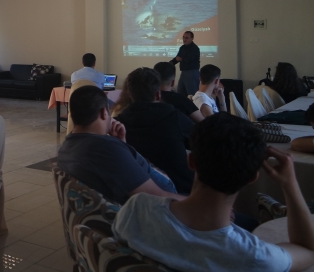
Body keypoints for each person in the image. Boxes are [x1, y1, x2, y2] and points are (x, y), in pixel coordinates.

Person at [113, 113, 314, 272]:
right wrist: (290, 184)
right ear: (253, 177)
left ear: (191, 161)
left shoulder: (136, 209)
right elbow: (308, 249)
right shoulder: (256, 258)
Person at [57, 85, 185, 205]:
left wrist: (121, 143)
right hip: (154, 211)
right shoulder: (105, 149)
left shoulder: (66, 147)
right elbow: (158, 197)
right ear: (104, 113)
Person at [114, 68, 195, 195]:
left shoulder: (117, 125)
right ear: (158, 95)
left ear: (129, 94)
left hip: (137, 198)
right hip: (181, 195)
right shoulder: (176, 119)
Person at [171, 31, 201, 96]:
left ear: (192, 38)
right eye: (183, 37)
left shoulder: (194, 48)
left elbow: (188, 59)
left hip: (192, 73)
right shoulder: (182, 48)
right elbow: (177, 58)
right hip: (184, 73)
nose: (184, 39)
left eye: (187, 38)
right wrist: (169, 64)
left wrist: (180, 59)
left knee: (192, 95)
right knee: (180, 93)